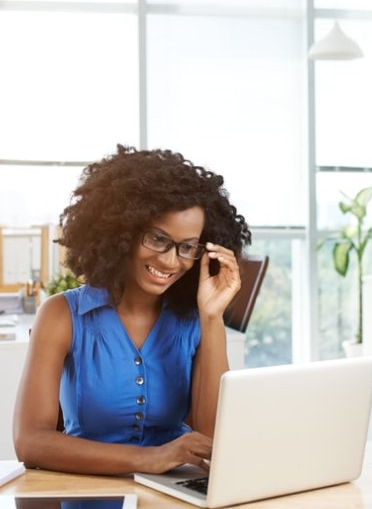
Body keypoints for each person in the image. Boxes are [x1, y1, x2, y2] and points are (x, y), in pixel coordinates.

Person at [13, 145, 251, 476]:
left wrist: (211, 319)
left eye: (187, 247)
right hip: (87, 491)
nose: (170, 261)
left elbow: (212, 439)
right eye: (157, 238)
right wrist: (149, 459)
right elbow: (30, 442)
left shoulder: (195, 320)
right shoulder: (62, 315)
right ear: (123, 232)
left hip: (177, 494)